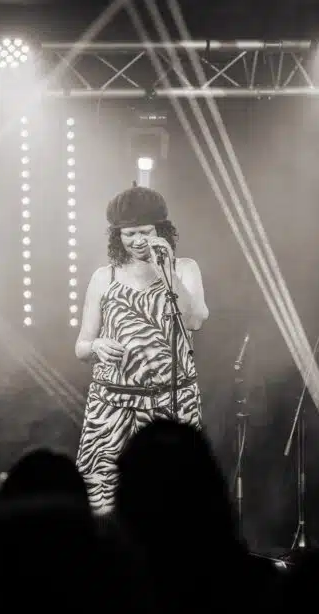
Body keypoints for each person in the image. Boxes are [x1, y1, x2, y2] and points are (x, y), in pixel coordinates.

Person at [74, 186, 209, 513]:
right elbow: (81, 347)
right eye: (129, 234)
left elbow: (195, 320)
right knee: (102, 498)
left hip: (172, 401)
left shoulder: (184, 269)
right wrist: (97, 345)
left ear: (160, 231)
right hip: (112, 404)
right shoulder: (104, 277)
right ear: (117, 235)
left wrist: (167, 271)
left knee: (173, 501)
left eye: (145, 232)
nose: (137, 240)